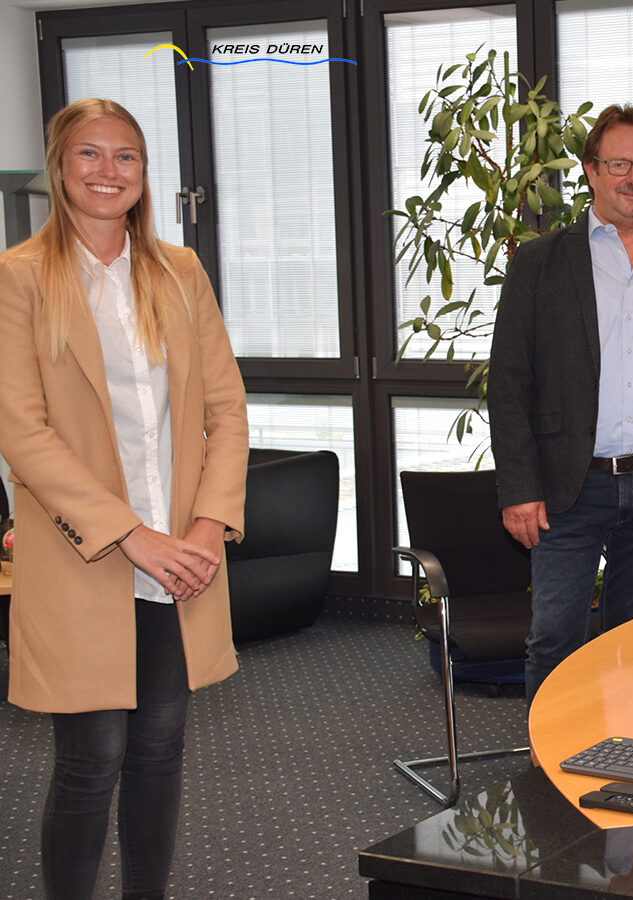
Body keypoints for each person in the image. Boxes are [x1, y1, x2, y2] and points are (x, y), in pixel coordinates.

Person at [0, 98, 249, 900]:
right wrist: (130, 534)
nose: (108, 171)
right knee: (92, 759)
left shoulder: (179, 272)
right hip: (85, 555)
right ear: (58, 166)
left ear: (143, 173)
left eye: (126, 156)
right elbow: (22, 432)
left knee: (160, 749)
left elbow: (226, 409)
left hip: (181, 558)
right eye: (90, 154)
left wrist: (207, 525)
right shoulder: (19, 277)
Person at [487, 104, 633, 701]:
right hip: (568, 488)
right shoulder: (539, 262)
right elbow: (509, 381)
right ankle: (550, 758)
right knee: (554, 642)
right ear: (591, 170)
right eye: (620, 164)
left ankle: (626, 749)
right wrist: (518, 488)